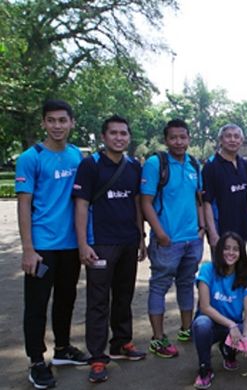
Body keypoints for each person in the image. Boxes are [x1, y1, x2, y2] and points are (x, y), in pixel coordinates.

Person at [16, 99, 88, 388]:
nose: (57, 126)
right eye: (51, 120)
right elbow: (24, 205)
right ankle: (36, 360)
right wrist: (28, 249)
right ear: (44, 123)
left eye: (63, 120)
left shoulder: (77, 157)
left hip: (71, 246)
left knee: (66, 299)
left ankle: (62, 349)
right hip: (42, 248)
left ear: (71, 122)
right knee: (36, 305)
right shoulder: (30, 158)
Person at [73, 115, 146, 383]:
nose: (119, 137)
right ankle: (97, 357)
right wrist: (83, 244)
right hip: (100, 242)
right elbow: (81, 205)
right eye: (113, 133)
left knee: (124, 294)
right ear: (103, 137)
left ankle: (121, 343)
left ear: (128, 137)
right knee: (98, 301)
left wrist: (141, 237)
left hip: (128, 240)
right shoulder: (89, 165)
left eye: (123, 133)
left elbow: (137, 203)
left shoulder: (133, 167)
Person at [141, 119, 205, 358]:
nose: (179, 142)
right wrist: (159, 233)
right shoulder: (155, 164)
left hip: (192, 238)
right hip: (167, 239)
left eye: (183, 137)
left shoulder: (193, 164)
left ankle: (186, 329)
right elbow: (145, 202)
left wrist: (202, 228)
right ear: (166, 140)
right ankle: (158, 338)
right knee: (159, 285)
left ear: (189, 138)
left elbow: (198, 199)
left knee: (187, 283)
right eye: (173, 138)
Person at [192, 232, 247, 389]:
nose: (231, 253)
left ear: (241, 253)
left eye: (236, 249)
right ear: (219, 250)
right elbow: (205, 306)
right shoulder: (207, 269)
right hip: (211, 324)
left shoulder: (246, 276)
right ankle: (205, 368)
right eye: (227, 248)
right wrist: (232, 325)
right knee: (201, 324)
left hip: (233, 325)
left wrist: (245, 337)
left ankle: (228, 350)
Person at [202, 124, 247, 249]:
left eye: (236, 137)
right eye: (228, 136)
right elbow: (206, 202)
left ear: (241, 141)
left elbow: (246, 196)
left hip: (242, 227)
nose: (232, 140)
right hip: (221, 228)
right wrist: (212, 232)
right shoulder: (211, 165)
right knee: (222, 266)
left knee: (241, 265)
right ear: (221, 140)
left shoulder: (244, 164)